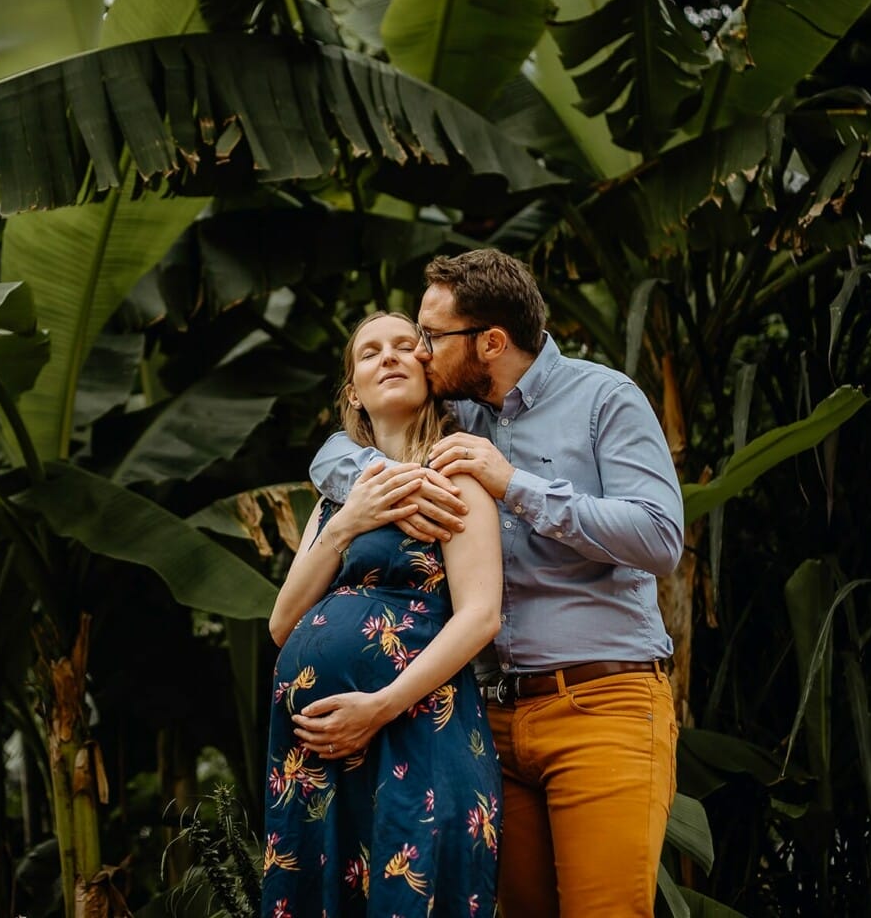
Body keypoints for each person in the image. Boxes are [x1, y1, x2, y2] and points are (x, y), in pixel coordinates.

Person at [310, 249, 685, 917]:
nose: (418, 353)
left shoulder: (605, 399)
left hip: (601, 703)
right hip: (490, 721)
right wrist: (377, 486)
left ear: (490, 341)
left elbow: (659, 537)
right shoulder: (464, 410)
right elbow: (341, 447)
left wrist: (514, 485)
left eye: (430, 336)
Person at [263, 311, 504, 918]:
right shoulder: (337, 498)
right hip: (321, 759)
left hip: (414, 728)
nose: (390, 356)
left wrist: (378, 707)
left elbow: (481, 617)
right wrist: (349, 520)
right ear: (354, 392)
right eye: (370, 353)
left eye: (405, 345)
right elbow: (282, 621)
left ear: (429, 371)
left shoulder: (455, 476)